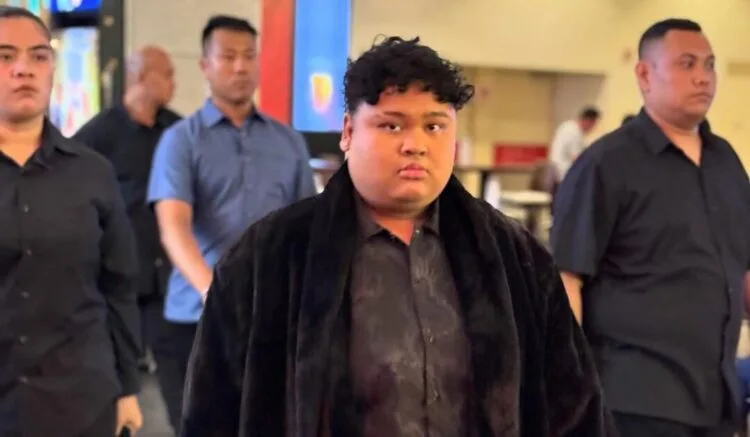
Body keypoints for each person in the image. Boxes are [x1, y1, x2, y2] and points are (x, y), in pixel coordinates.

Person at [180, 36, 614, 437]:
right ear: (348, 131)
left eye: (434, 126)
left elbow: (574, 407)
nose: (415, 144)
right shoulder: (269, 258)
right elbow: (212, 412)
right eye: (392, 126)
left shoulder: (513, 256)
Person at [551, 18, 750, 437]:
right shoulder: (606, 164)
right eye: (687, 63)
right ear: (644, 74)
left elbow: (741, 266)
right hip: (634, 398)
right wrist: (569, 387)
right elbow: (567, 278)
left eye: (710, 65)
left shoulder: (726, 162)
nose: (703, 77)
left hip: (716, 398)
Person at [147, 14, 317, 433]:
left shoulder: (288, 141)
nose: (240, 66)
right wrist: (215, 291)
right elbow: (173, 227)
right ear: (205, 66)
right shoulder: (181, 140)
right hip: (196, 319)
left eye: (249, 56)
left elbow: (307, 227)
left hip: (271, 317)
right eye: (227, 57)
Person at [0, 6, 143, 437]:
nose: (23, 69)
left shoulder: (92, 172)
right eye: (5, 56)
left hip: (79, 402)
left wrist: (128, 389)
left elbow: (118, 286)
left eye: (38, 56)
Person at [74, 45, 180, 374]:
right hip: (118, 274)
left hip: (169, 276)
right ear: (142, 77)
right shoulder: (97, 135)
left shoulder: (178, 132)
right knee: (119, 370)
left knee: (178, 370)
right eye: (167, 74)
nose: (174, 82)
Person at [548, 106, 600, 181]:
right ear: (588, 121)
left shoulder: (567, 126)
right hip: (563, 173)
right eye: (593, 124)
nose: (593, 128)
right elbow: (578, 158)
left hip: (557, 171)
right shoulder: (574, 132)